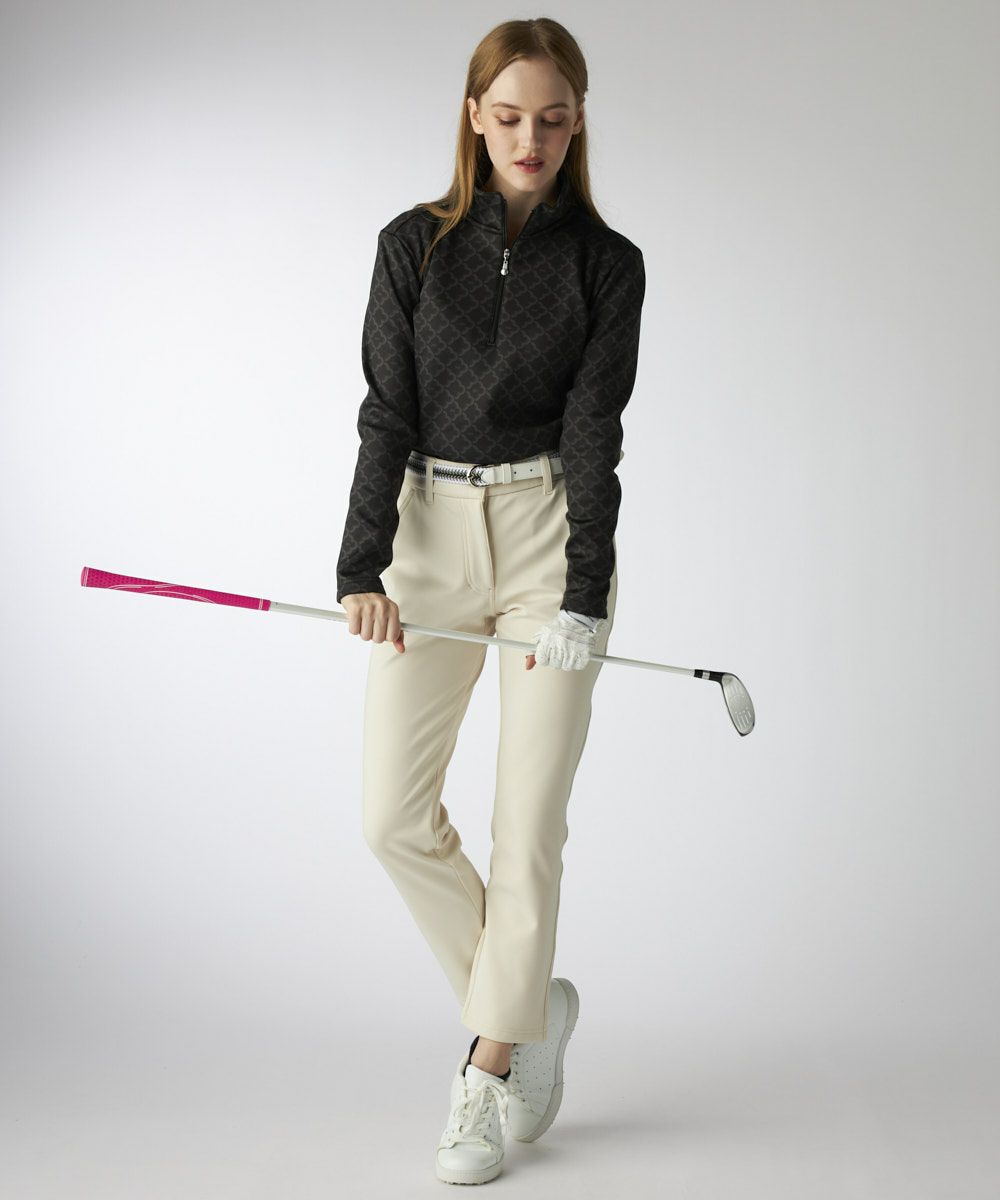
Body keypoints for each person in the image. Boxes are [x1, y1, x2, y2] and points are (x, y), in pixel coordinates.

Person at [335, 17, 645, 1186]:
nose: (530, 138)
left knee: (528, 827)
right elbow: (386, 410)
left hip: (546, 541)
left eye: (553, 119)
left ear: (577, 123)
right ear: (474, 116)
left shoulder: (606, 265)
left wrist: (581, 593)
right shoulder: (411, 246)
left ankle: (486, 1066)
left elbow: (595, 430)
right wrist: (361, 567)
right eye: (509, 115)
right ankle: (528, 1007)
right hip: (426, 537)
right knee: (390, 817)